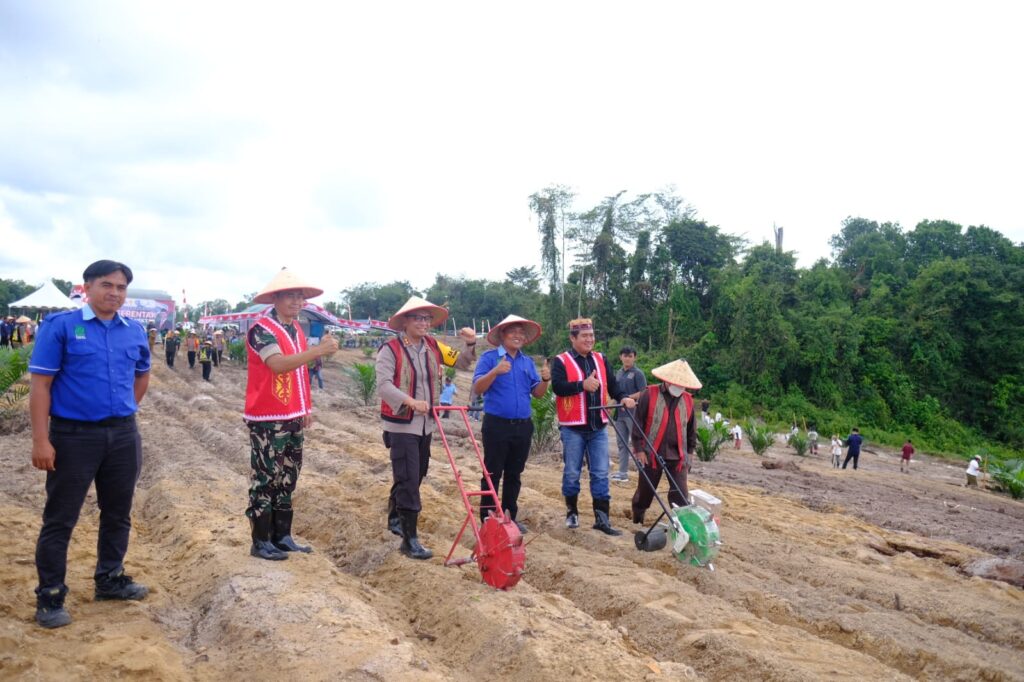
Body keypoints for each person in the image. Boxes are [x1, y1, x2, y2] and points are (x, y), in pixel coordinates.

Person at [27, 260, 151, 629]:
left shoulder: (134, 331)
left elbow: (142, 377)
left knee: (118, 513)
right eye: (106, 285)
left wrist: (121, 410)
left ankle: (109, 579)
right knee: (60, 518)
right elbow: (41, 387)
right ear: (86, 287)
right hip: (73, 438)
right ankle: (50, 596)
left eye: (121, 287)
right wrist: (41, 440)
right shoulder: (62, 326)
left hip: (123, 436)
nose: (114, 293)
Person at [244, 269, 339, 561]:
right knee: (266, 477)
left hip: (292, 414)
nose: (297, 302)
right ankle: (260, 540)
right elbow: (280, 365)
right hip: (267, 416)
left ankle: (281, 535)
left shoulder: (295, 329)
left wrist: (305, 408)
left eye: (300, 297)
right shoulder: (261, 329)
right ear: (276, 298)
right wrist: (318, 351)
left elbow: (300, 374)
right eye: (291, 296)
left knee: (289, 475)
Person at [376, 296, 477, 560]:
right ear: (406, 321)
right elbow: (384, 386)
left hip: (426, 424)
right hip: (401, 425)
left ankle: (395, 518)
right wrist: (409, 401)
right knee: (409, 478)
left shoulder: (433, 345)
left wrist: (470, 343)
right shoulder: (391, 349)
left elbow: (462, 363)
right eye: (418, 318)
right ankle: (410, 540)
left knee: (416, 474)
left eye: (427, 319)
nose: (423, 323)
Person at [550, 317, 636, 536]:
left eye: (592, 335)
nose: (590, 340)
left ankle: (602, 518)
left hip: (598, 425)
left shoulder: (601, 359)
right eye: (585, 336)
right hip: (572, 427)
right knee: (572, 472)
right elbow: (559, 387)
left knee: (600, 472)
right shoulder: (561, 361)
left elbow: (613, 386)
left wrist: (624, 397)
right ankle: (572, 512)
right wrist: (582, 385)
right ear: (573, 338)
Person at [472, 314, 550, 533]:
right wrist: (495, 371)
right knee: (492, 472)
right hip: (497, 425)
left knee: (514, 473)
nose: (518, 335)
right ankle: (487, 518)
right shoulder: (490, 358)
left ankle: (509, 517)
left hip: (522, 426)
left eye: (521, 332)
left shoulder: (527, 362)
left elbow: (537, 394)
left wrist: (545, 380)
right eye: (513, 331)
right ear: (502, 335)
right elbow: (478, 388)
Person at [629, 359, 699, 524]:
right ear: (666, 381)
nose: (679, 387)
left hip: (677, 454)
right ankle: (638, 512)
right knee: (645, 491)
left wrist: (690, 453)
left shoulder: (688, 400)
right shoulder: (649, 394)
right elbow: (637, 424)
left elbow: (691, 430)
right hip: (651, 452)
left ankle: (681, 523)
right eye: (675, 383)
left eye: (683, 385)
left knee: (681, 493)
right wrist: (639, 450)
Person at [611, 346, 647, 482]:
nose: (627, 358)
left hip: (633, 414)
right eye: (625, 356)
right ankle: (622, 473)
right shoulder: (618, 373)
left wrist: (627, 398)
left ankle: (643, 472)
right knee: (622, 444)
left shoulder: (638, 373)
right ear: (620, 357)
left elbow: (644, 392)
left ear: (634, 357)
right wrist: (611, 405)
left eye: (630, 356)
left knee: (637, 443)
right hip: (619, 415)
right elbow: (615, 392)